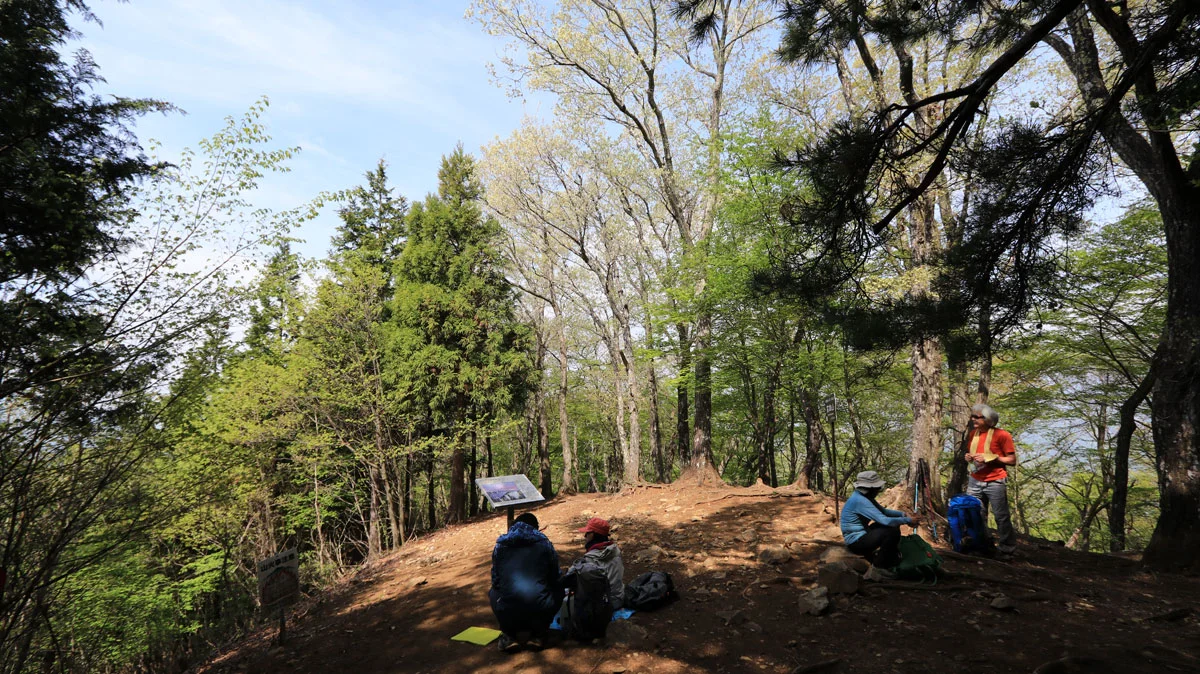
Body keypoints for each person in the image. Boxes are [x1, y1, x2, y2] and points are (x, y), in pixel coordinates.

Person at [488, 512, 561, 653]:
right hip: (541, 608)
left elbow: (495, 580)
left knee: (493, 592)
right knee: (558, 588)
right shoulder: (544, 544)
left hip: (508, 611)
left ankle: (509, 635)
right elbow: (554, 576)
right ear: (536, 527)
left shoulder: (500, 546)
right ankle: (539, 634)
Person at [840, 470, 920, 579]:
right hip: (856, 542)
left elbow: (884, 511)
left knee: (893, 526)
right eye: (877, 488)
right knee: (891, 530)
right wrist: (908, 520)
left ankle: (889, 558)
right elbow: (885, 520)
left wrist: (904, 514)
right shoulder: (860, 501)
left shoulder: (864, 497)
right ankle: (878, 568)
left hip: (863, 535)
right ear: (870, 488)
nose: (878, 490)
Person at [965, 403, 1018, 557]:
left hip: (995, 481)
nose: (973, 419)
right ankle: (981, 545)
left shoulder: (1002, 435)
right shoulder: (973, 434)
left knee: (1001, 516)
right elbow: (973, 455)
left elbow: (1012, 460)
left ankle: (1007, 549)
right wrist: (968, 457)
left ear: (988, 419)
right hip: (975, 480)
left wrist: (993, 458)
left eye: (977, 417)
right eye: (972, 416)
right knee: (975, 514)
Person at [564, 517, 624, 611]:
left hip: (604, 605)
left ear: (592, 535)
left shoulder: (590, 558)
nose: (585, 536)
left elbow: (568, 578)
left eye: (587, 533)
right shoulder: (616, 551)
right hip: (619, 599)